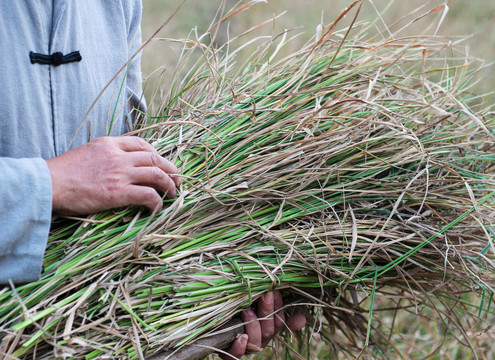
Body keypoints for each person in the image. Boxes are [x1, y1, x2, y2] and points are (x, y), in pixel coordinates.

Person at [0, 1, 304, 358]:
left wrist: (212, 299)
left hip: (91, 331)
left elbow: (131, 183)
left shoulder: (116, 5)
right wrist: (50, 182)